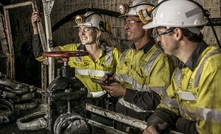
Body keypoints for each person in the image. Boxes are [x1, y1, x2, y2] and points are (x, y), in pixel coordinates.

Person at [142, 0, 221, 133]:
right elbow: (167, 107)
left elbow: (210, 130)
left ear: (177, 33)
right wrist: (154, 124)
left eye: (159, 32)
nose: (157, 39)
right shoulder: (181, 70)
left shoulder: (213, 67)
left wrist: (175, 123)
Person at [101, 0, 175, 131]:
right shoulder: (126, 55)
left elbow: (159, 100)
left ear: (147, 25)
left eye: (131, 22)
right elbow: (124, 83)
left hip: (142, 126)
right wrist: (112, 82)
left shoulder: (160, 59)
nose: (125, 27)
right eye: (126, 22)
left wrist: (124, 92)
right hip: (120, 121)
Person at [31, 11, 121, 108]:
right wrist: (35, 28)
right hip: (80, 102)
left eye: (86, 29)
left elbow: (124, 80)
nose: (81, 33)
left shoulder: (113, 53)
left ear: (98, 32)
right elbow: (40, 55)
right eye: (79, 29)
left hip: (106, 104)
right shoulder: (71, 51)